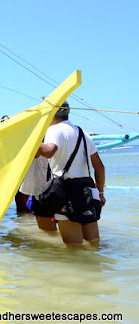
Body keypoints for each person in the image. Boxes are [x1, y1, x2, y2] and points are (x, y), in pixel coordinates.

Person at [35, 101, 106, 245]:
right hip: (87, 190)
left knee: (74, 248)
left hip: (66, 190)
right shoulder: (83, 133)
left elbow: (48, 151)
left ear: (50, 113)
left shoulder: (54, 130)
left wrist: (32, 137)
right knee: (94, 244)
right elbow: (100, 167)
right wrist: (100, 193)